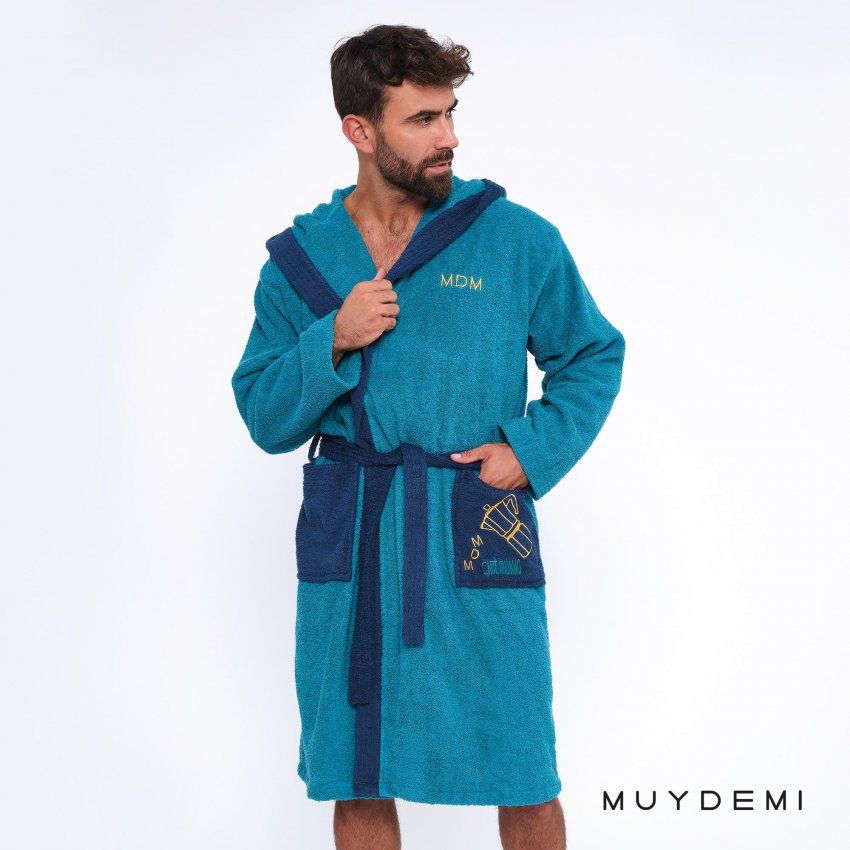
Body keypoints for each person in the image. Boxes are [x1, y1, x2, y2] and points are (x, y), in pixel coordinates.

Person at [231, 23, 625, 850]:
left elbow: (592, 354)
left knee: (522, 766)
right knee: (356, 772)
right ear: (359, 130)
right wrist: (331, 339)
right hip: (355, 529)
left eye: (449, 114)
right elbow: (264, 414)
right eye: (421, 119)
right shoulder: (302, 261)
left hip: (474, 519)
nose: (448, 137)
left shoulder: (515, 239)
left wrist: (531, 450)